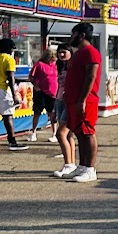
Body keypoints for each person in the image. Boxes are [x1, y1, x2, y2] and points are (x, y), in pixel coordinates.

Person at [61, 20, 100, 183]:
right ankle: (83, 165)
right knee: (79, 132)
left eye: (73, 34)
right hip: (74, 99)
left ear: (82, 35)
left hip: (85, 100)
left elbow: (91, 76)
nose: (71, 37)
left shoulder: (91, 52)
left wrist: (82, 99)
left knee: (87, 132)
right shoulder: (79, 53)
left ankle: (90, 169)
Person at [53, 44, 76, 176]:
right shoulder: (59, 66)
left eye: (64, 52)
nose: (61, 55)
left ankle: (69, 164)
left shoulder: (72, 67)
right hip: (59, 100)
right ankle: (71, 163)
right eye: (59, 52)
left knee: (61, 134)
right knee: (68, 135)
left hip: (70, 102)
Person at [29, 46, 59, 143]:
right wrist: (36, 87)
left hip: (53, 93)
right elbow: (31, 77)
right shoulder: (39, 64)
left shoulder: (56, 64)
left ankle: (54, 134)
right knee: (37, 112)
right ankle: (33, 132)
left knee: (52, 114)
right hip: (41, 92)